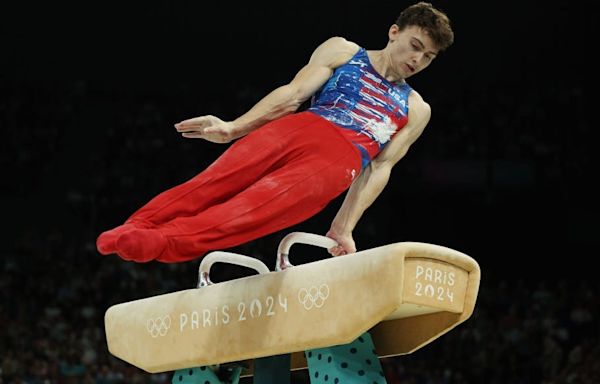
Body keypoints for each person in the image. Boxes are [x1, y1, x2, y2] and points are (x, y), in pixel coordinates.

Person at [96, 2, 454, 263]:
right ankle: (136, 225)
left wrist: (343, 226)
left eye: (429, 57)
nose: (417, 59)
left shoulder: (415, 109)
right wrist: (233, 128)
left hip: (336, 162)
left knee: (247, 211)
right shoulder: (344, 51)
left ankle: (160, 242)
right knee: (212, 182)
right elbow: (294, 94)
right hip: (300, 128)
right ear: (394, 33)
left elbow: (379, 169)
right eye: (415, 46)